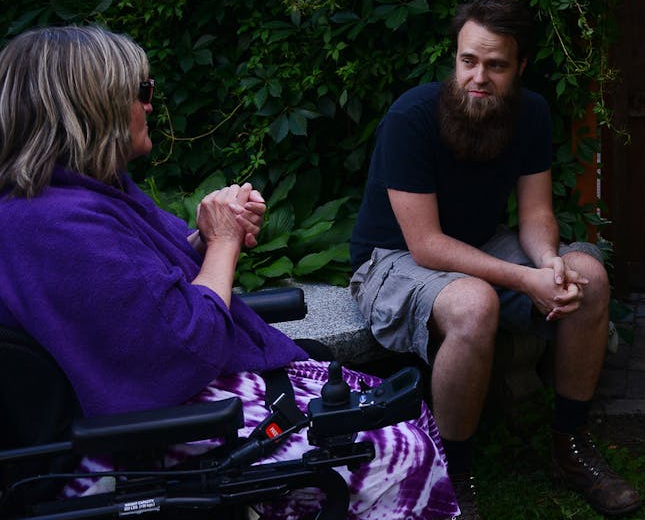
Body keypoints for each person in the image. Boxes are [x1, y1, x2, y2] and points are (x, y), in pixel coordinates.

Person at [0, 25, 458, 520]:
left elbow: (140, 291)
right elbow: (182, 345)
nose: (151, 105)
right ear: (94, 106)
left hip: (183, 398)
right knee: (392, 450)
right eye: (142, 92)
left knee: (393, 404)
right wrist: (221, 243)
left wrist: (206, 237)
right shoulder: (53, 225)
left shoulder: (83, 194)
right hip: (150, 436)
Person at [349, 0, 642, 517]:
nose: (478, 77)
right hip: (391, 259)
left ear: (520, 66)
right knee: (474, 306)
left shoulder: (530, 114)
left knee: (588, 278)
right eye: (468, 61)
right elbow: (427, 245)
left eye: (496, 65)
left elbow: (533, 214)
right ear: (456, 57)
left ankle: (570, 447)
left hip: (482, 244)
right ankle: (453, 475)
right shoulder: (411, 118)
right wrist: (523, 280)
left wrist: (549, 262)